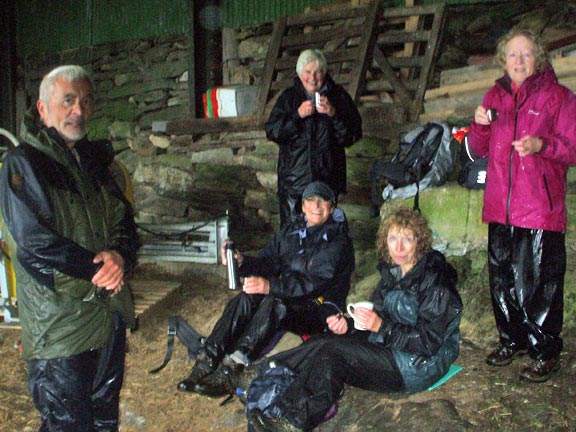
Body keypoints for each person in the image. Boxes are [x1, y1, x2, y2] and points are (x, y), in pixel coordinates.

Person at [0, 65, 139, 431]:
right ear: (43, 109)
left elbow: (123, 220)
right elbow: (32, 243)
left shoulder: (93, 162)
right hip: (60, 329)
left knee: (104, 416)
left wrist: (119, 255)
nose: (79, 110)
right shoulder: (23, 164)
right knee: (68, 424)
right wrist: (97, 269)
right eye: (68, 100)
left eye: (85, 101)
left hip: (106, 316)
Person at [244, 207, 462, 431]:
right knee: (324, 344)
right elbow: (375, 316)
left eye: (407, 238)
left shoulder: (435, 283)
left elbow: (428, 342)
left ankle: (278, 399)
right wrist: (347, 325)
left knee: (333, 352)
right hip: (390, 348)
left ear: (420, 241)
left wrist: (381, 326)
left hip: (419, 365)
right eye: (393, 238)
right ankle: (278, 404)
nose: (398, 247)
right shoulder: (393, 274)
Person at [177, 181, 355, 397]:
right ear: (303, 206)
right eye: (310, 200)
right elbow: (268, 263)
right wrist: (242, 262)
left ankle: (232, 368)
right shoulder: (291, 232)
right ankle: (207, 360)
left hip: (319, 308)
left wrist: (270, 286)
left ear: (332, 207)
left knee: (275, 302)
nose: (316, 205)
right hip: (291, 298)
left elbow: (311, 284)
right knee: (246, 297)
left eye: (323, 200)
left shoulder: (337, 241)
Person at [468, 28, 576, 382]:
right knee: (502, 279)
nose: (518, 61)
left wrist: (541, 145)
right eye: (512, 55)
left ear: (538, 58)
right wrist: (479, 125)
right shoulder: (495, 96)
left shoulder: (559, 97)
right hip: (500, 206)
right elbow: (477, 149)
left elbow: (572, 148)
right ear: (503, 60)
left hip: (540, 208)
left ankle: (544, 349)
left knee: (539, 283)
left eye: (526, 54)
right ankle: (510, 339)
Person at [265, 48, 363, 227]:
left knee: (324, 238)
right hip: (295, 185)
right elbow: (272, 131)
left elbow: (352, 135)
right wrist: (297, 115)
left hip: (327, 183)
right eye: (308, 72)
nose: (312, 77)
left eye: (317, 72)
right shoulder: (289, 98)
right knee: (292, 238)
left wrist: (333, 114)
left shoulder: (338, 97)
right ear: (300, 74)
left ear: (324, 73)